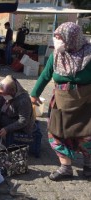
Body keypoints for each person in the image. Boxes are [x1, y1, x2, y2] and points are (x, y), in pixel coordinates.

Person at [31, 22, 91, 181]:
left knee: (86, 135)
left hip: (85, 102)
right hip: (61, 102)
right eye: (56, 37)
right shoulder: (56, 55)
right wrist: (34, 95)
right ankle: (65, 167)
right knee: (55, 134)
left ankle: (89, 166)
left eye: (60, 37)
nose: (56, 40)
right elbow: (45, 75)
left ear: (72, 38)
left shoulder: (89, 55)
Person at [0, 75, 35, 146]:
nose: (4, 97)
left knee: (3, 121)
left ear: (12, 92)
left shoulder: (23, 100)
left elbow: (23, 120)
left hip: (21, 124)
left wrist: (7, 129)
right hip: (9, 115)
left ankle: (2, 141)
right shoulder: (4, 93)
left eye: (6, 95)